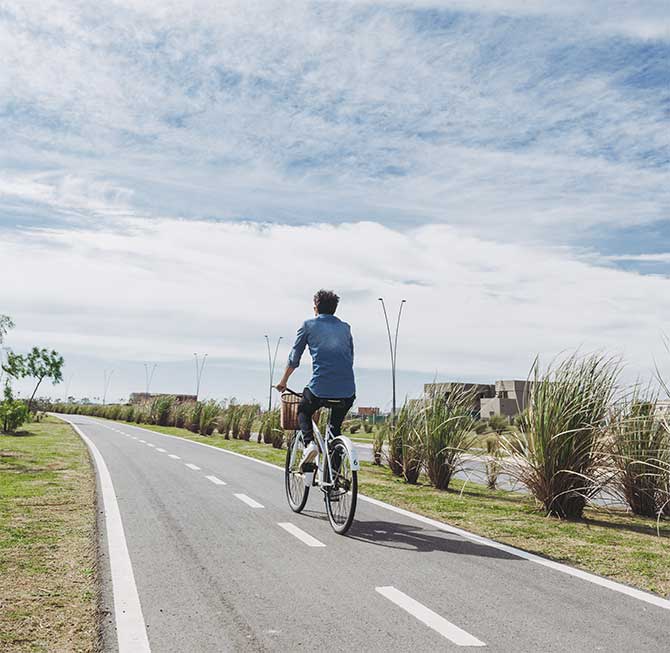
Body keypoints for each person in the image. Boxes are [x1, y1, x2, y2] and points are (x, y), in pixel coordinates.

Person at [275, 289, 355, 469]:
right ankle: (334, 480)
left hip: (320, 388)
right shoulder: (345, 328)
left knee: (303, 410)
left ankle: (310, 444)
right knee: (335, 429)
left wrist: (283, 381)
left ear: (316, 307)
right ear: (334, 308)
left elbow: (294, 358)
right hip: (347, 390)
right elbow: (350, 357)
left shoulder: (308, 325)